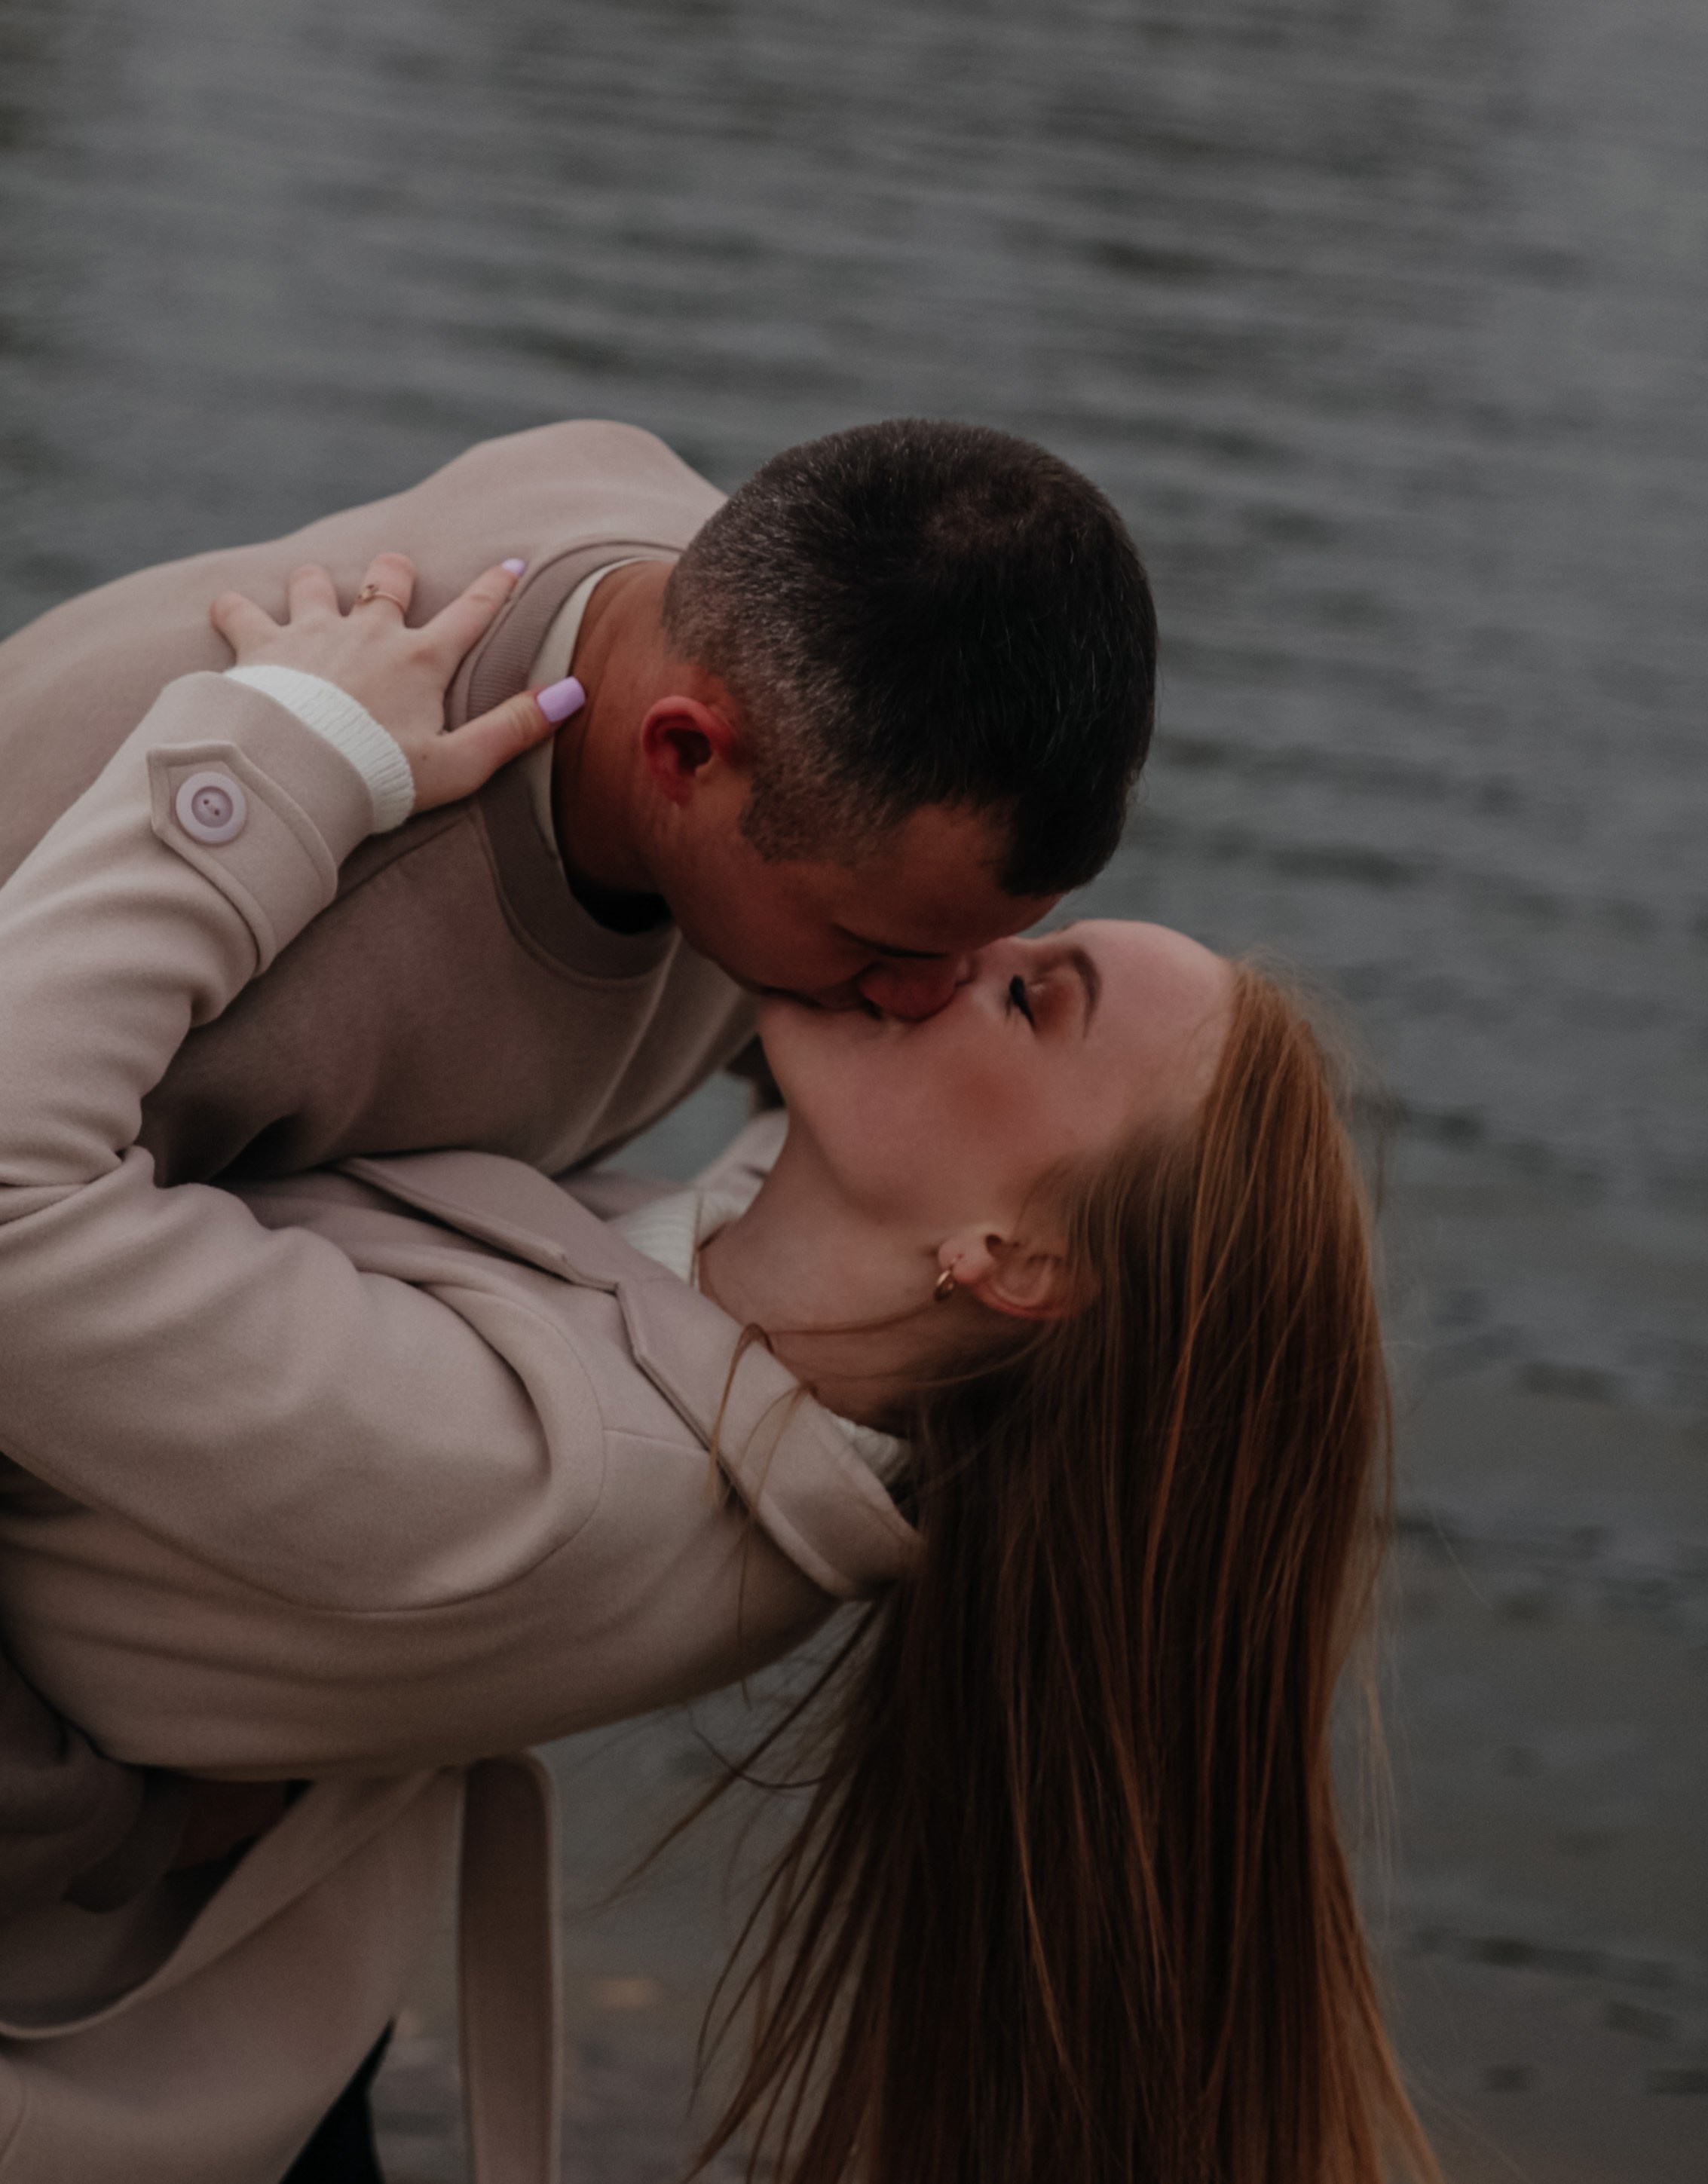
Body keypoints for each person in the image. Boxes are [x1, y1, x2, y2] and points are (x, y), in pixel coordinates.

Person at [0, 563, 1433, 2184]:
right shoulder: (786, 1318)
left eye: (1033, 994)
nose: (952, 950)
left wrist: (279, 759)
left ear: (1016, 1261)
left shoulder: (556, 1476)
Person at [0, 412, 1158, 1921]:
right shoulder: (313, 895)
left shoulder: (711, 611)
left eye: (987, 949)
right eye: (880, 945)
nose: (924, 998)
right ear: (683, 754)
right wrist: (83, 1817)